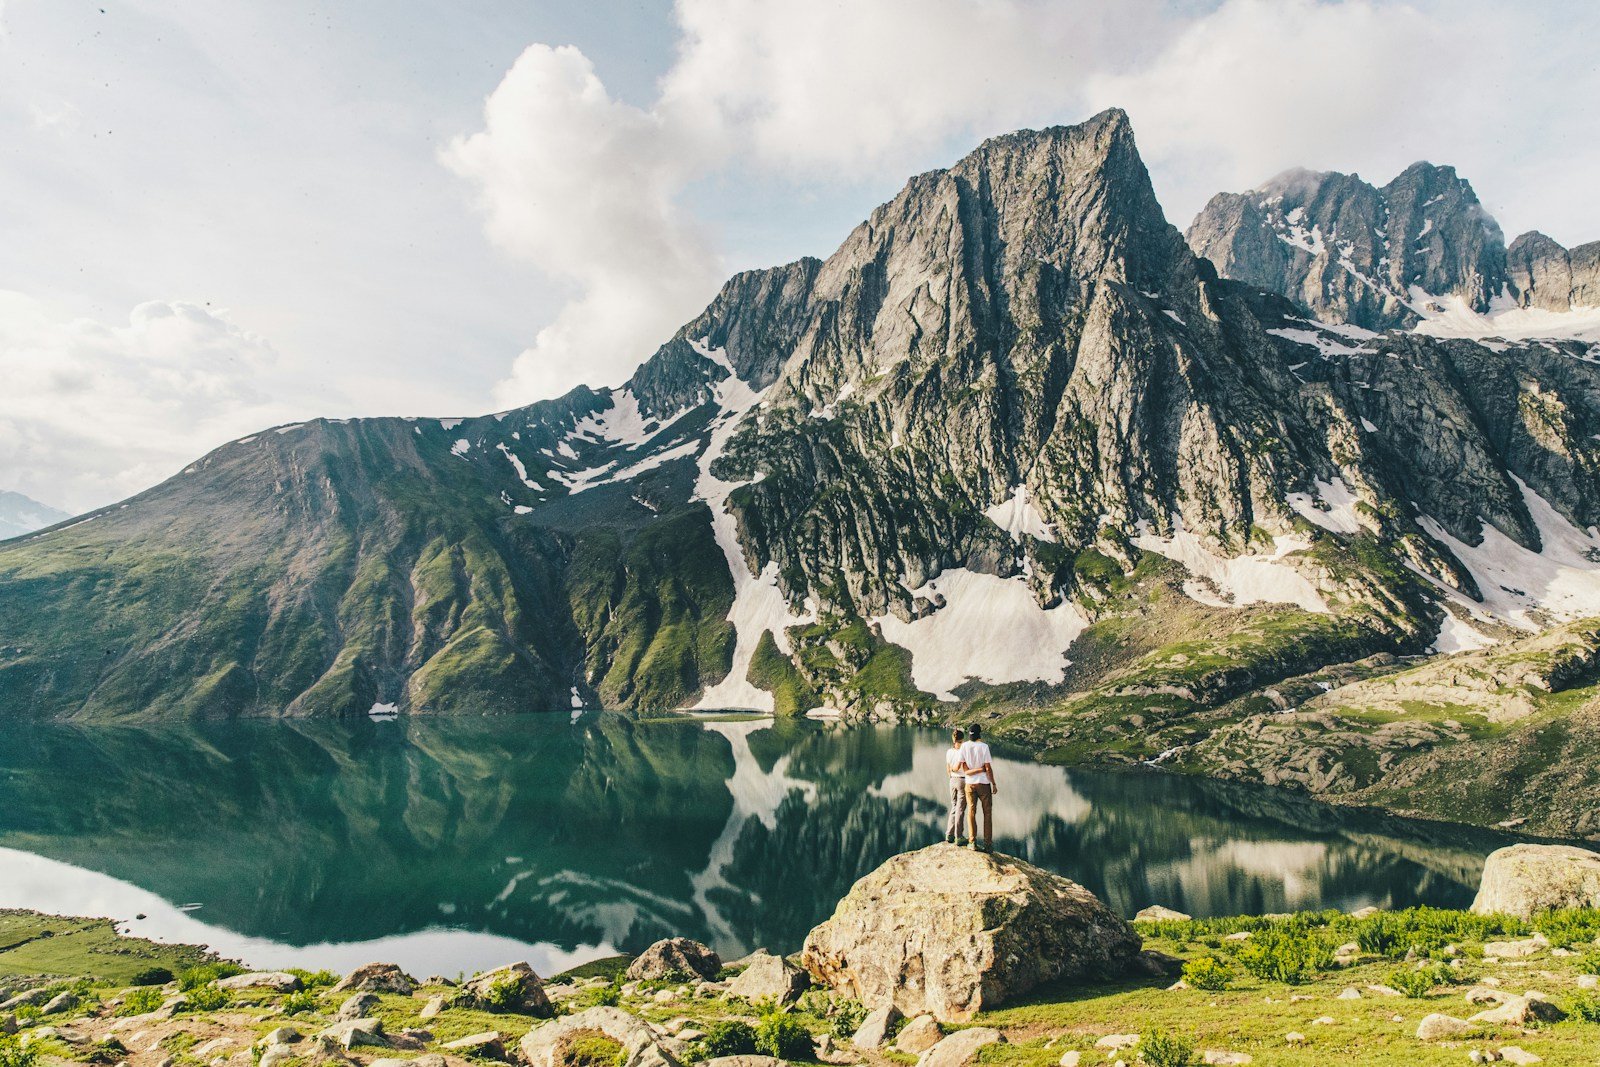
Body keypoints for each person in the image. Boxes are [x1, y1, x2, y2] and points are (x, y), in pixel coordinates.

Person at [958, 723, 996, 852]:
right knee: (987, 813)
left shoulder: (963, 746)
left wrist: (974, 770)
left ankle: (972, 842)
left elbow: (965, 770)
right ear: (980, 733)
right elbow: (988, 768)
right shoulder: (984, 747)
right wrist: (994, 783)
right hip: (984, 784)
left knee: (971, 812)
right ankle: (988, 845)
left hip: (970, 784)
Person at [944, 728, 968, 845]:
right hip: (962, 781)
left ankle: (949, 834)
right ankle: (959, 836)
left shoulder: (949, 751)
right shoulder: (963, 752)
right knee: (960, 809)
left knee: (954, 806)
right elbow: (961, 767)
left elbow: (948, 768)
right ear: (962, 740)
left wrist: (951, 776)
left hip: (952, 780)